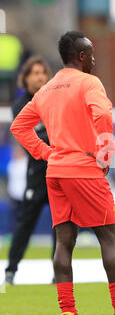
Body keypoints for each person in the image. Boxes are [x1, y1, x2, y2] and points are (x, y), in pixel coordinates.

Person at [10, 31, 115, 315]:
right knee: (109, 237)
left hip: (56, 173)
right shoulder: (89, 82)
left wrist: (46, 153)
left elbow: (18, 126)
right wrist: (104, 154)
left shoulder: (47, 88)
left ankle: (68, 312)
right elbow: (102, 113)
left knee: (64, 241)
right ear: (80, 56)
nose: (94, 58)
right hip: (85, 170)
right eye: (90, 53)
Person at [5, 56, 55, 285]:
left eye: (43, 72)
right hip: (36, 175)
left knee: (62, 225)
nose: (40, 77)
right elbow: (28, 136)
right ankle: (11, 269)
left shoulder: (55, 101)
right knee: (26, 222)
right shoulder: (20, 105)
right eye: (35, 73)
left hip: (58, 173)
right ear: (25, 78)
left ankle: (60, 272)